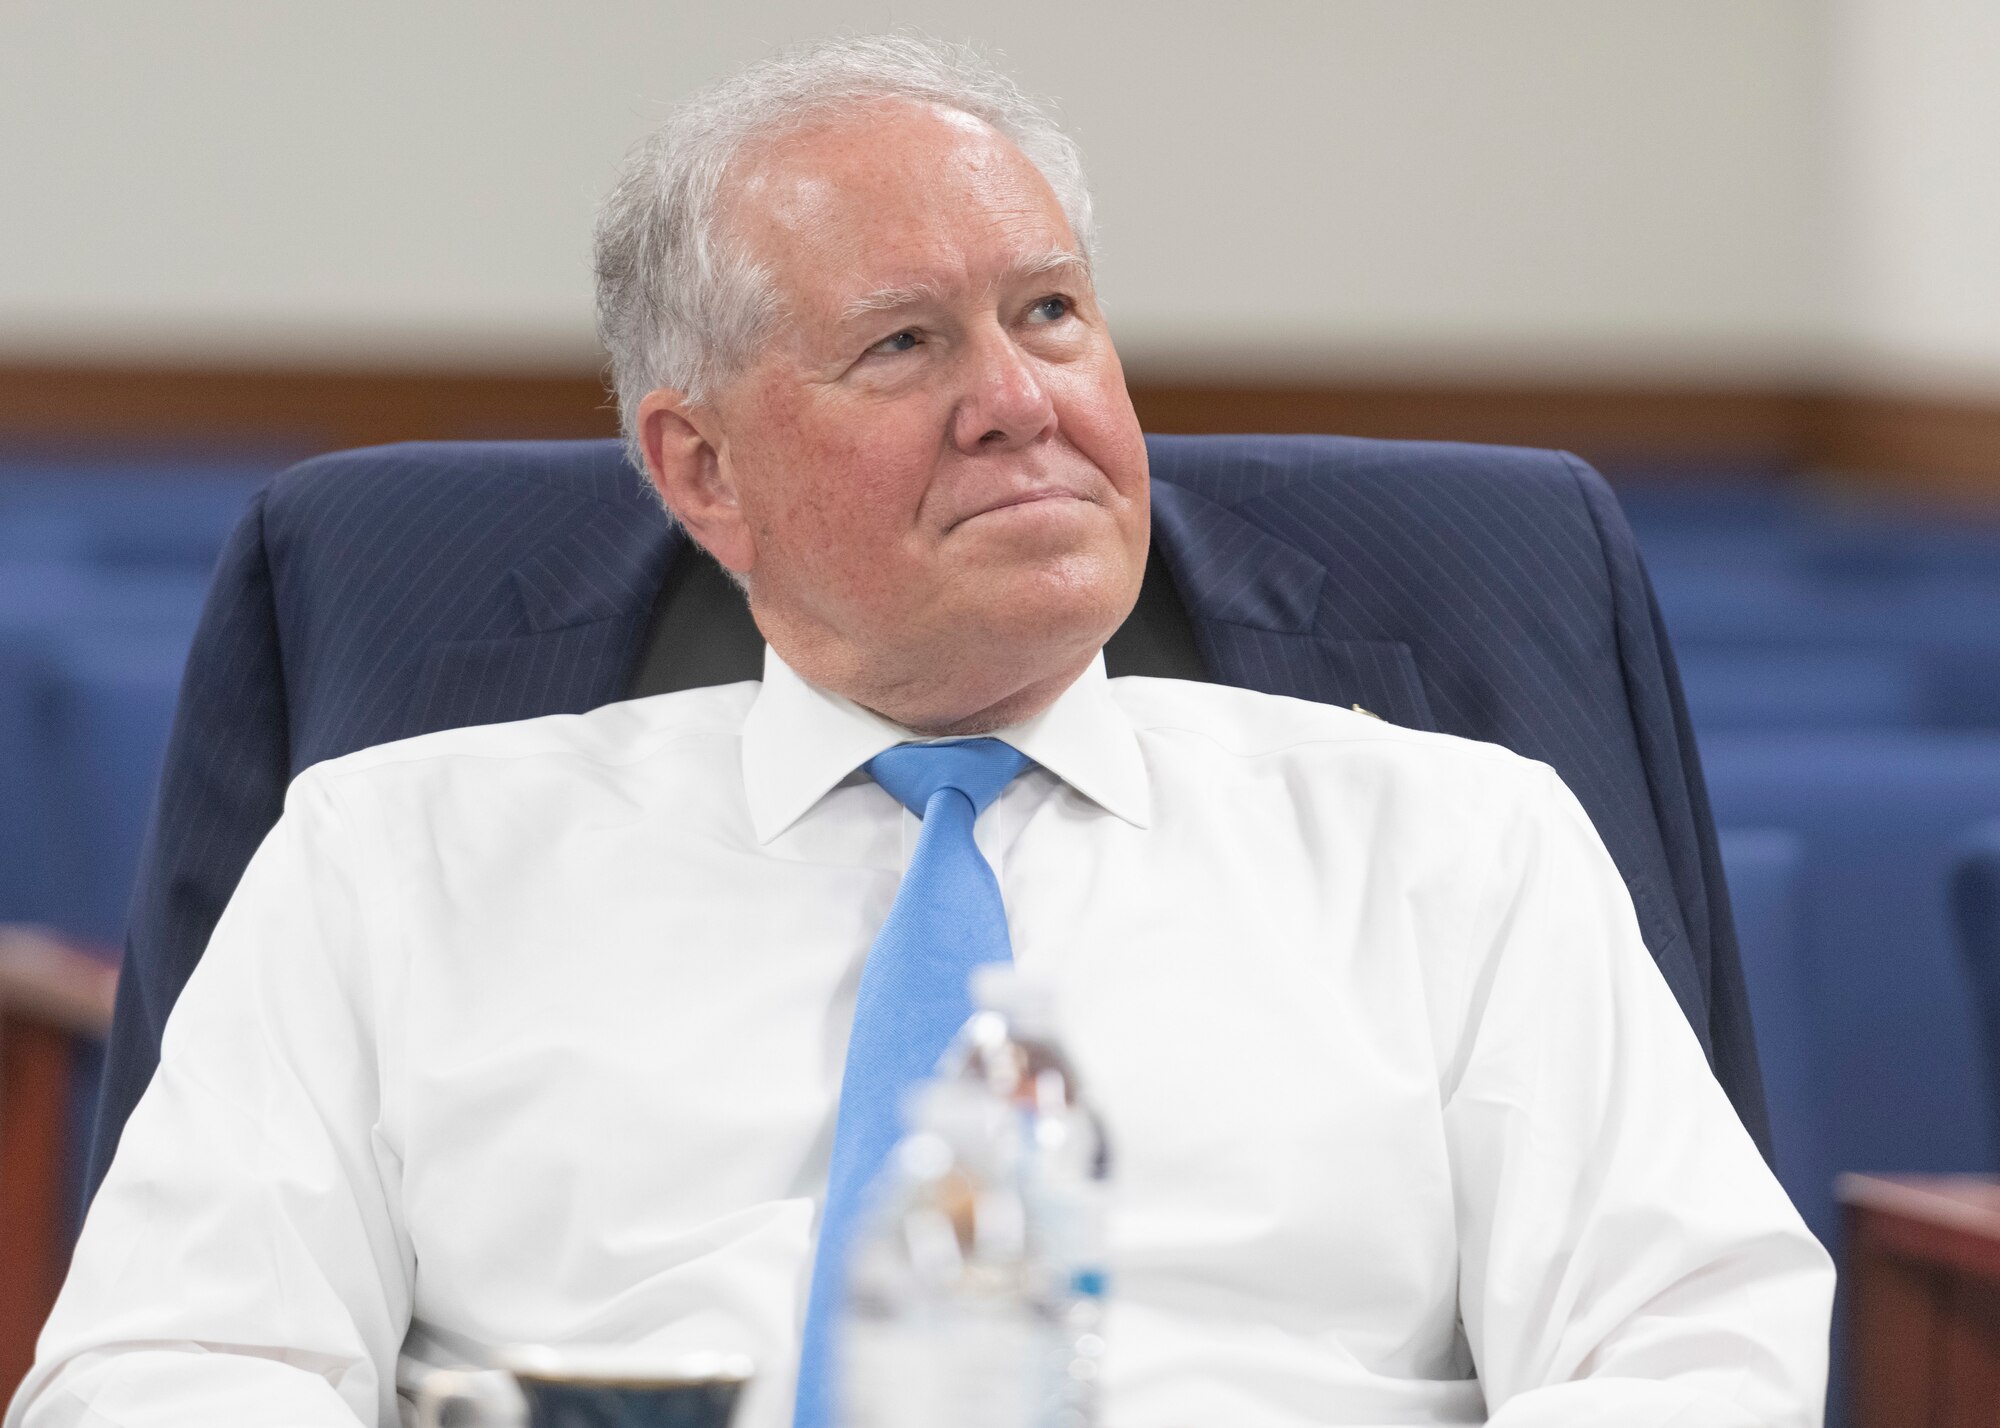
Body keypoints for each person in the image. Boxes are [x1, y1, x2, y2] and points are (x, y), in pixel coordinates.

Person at [10, 33, 1832, 1428]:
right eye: (902, 346)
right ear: (699, 466)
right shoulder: (392, 855)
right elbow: (174, 1358)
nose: (1019, 401)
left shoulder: (1458, 842)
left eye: (1051, 313)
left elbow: (1690, 1344)